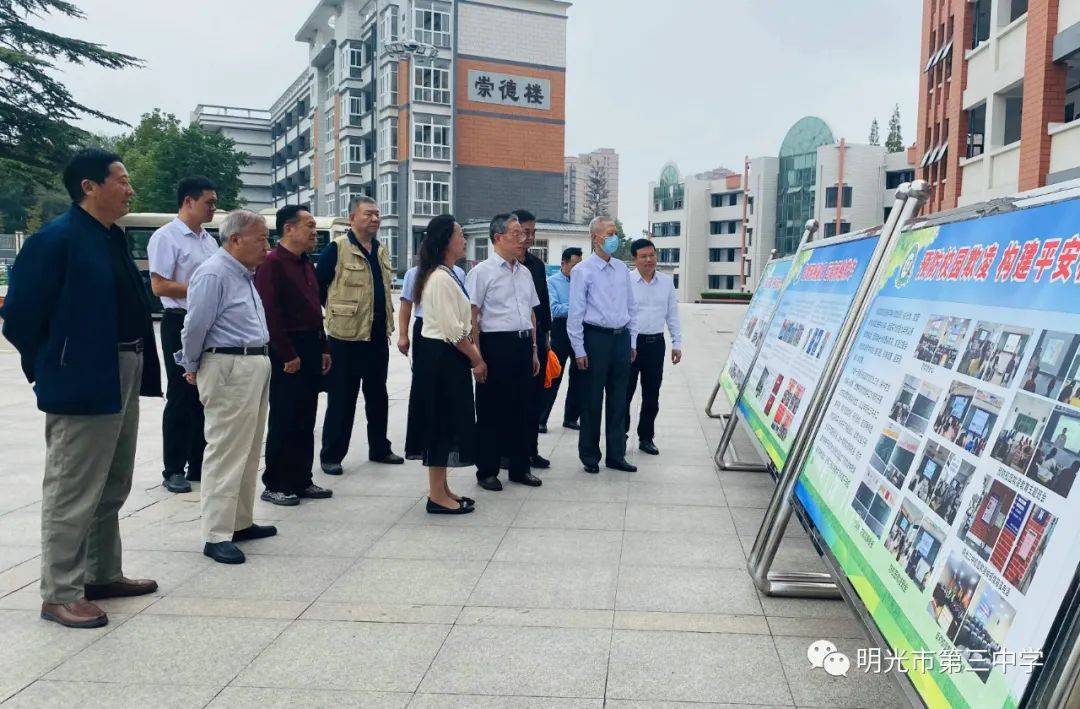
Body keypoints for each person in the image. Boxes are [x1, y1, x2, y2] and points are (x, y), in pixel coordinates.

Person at [1, 149, 161, 627]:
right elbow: (19, 317)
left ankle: (101, 573)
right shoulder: (56, 240)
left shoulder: (110, 237)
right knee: (72, 488)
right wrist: (55, 365)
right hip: (83, 376)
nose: (130, 189)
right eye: (122, 180)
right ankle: (60, 593)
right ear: (89, 187)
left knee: (113, 480)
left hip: (124, 366)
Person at [177, 210, 277, 565]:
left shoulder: (244, 274)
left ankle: (239, 521)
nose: (267, 246)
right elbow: (194, 326)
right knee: (226, 450)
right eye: (261, 239)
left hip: (253, 363)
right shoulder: (214, 273)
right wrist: (190, 365)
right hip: (229, 365)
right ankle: (216, 533)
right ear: (235, 239)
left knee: (248, 449)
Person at [405, 214, 487, 514]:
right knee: (439, 424)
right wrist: (476, 358)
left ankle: (442, 489)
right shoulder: (439, 278)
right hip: (441, 358)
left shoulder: (447, 273)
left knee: (448, 422)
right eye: (460, 234)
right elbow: (453, 331)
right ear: (445, 241)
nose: (464, 240)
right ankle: (436, 497)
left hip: (447, 357)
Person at [316, 196, 403, 474]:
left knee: (378, 396)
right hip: (345, 339)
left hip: (376, 337)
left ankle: (380, 448)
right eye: (368, 214)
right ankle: (331, 455)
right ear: (352, 218)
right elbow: (318, 287)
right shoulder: (337, 248)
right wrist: (337, 315)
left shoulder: (380, 250)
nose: (375, 219)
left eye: (377, 214)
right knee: (342, 398)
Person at [254, 206, 334, 506]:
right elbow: (269, 313)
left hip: (311, 345)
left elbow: (315, 308)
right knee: (285, 417)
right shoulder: (272, 263)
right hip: (287, 348)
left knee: (305, 416)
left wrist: (323, 347)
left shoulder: (305, 263)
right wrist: (287, 353)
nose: (314, 232)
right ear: (288, 228)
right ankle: (275, 483)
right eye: (309, 226)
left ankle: (301, 479)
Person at [147, 176, 219, 494]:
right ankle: (173, 468)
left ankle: (198, 463)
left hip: (208, 322)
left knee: (204, 393)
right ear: (188, 201)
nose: (213, 208)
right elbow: (159, 285)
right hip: (180, 321)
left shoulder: (208, 241)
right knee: (180, 392)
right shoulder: (167, 237)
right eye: (208, 202)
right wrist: (201, 290)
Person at [466, 213, 542, 490]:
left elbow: (531, 314)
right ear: (498, 238)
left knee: (522, 408)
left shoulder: (525, 272)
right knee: (491, 410)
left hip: (522, 344)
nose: (523, 238)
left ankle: (520, 468)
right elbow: (472, 315)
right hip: (495, 345)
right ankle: (487, 470)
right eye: (516, 233)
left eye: (524, 233)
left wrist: (534, 349)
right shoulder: (482, 272)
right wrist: (477, 356)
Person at [568, 216, 638, 474]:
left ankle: (616, 455)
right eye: (609, 233)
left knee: (619, 399)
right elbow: (575, 313)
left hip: (621, 338)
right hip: (595, 339)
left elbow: (632, 307)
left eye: (615, 233)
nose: (614, 238)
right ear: (595, 238)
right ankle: (589, 455)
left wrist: (632, 341)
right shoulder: (582, 270)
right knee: (592, 400)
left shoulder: (622, 269)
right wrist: (579, 349)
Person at [624, 239, 682, 455]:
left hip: (655, 344)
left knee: (651, 394)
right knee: (625, 393)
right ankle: (620, 435)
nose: (649, 260)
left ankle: (646, 438)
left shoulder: (666, 282)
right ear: (634, 259)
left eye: (652, 255)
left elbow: (672, 314)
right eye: (643, 256)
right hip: (630, 344)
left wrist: (677, 342)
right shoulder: (626, 281)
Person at [513, 208, 552, 468]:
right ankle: (509, 453)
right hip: (511, 341)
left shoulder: (536, 265)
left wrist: (546, 336)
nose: (530, 237)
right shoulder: (497, 267)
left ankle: (531, 450)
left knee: (535, 399)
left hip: (538, 339)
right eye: (525, 232)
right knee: (514, 400)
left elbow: (542, 304)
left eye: (533, 232)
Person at [540, 247, 584, 432]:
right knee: (553, 375)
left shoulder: (584, 282)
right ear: (563, 264)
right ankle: (541, 419)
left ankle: (571, 418)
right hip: (561, 330)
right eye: (574, 265)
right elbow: (555, 309)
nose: (578, 269)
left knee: (579, 376)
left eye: (580, 265)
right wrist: (579, 307)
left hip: (581, 331)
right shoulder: (552, 282)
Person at [398, 258, 466, 359]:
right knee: (424, 366)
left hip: (452, 326)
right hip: (424, 327)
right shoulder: (414, 273)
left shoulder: (458, 273)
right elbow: (406, 306)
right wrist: (403, 335)